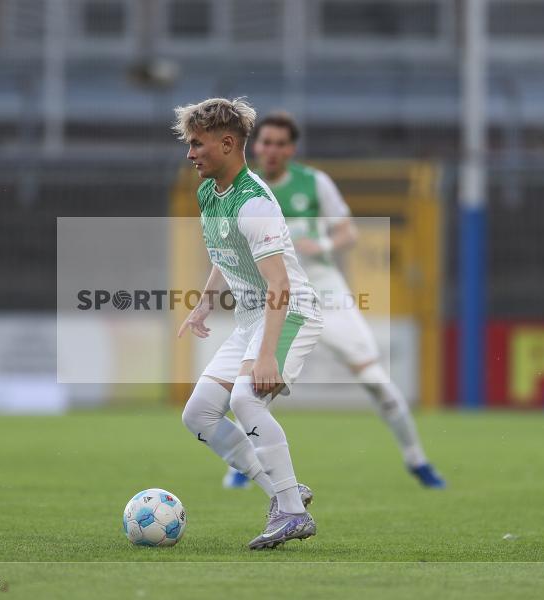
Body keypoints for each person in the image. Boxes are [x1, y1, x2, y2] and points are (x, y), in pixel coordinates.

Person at [223, 111, 446, 490]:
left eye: (280, 143)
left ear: (291, 149)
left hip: (326, 293)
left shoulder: (314, 183)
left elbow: (348, 232)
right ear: (255, 145)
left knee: (376, 379)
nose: (272, 150)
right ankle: (242, 466)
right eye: (266, 142)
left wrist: (323, 244)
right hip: (276, 297)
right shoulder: (245, 188)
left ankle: (417, 460)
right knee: (256, 385)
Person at [174, 98, 322, 549]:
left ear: (226, 143)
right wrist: (203, 305)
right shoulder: (207, 193)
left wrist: (265, 356)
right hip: (250, 318)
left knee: (247, 397)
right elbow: (226, 253)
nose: (190, 153)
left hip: (290, 310)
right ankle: (285, 494)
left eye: (197, 144)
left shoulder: (254, 203)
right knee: (198, 415)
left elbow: (280, 284)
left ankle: (293, 514)